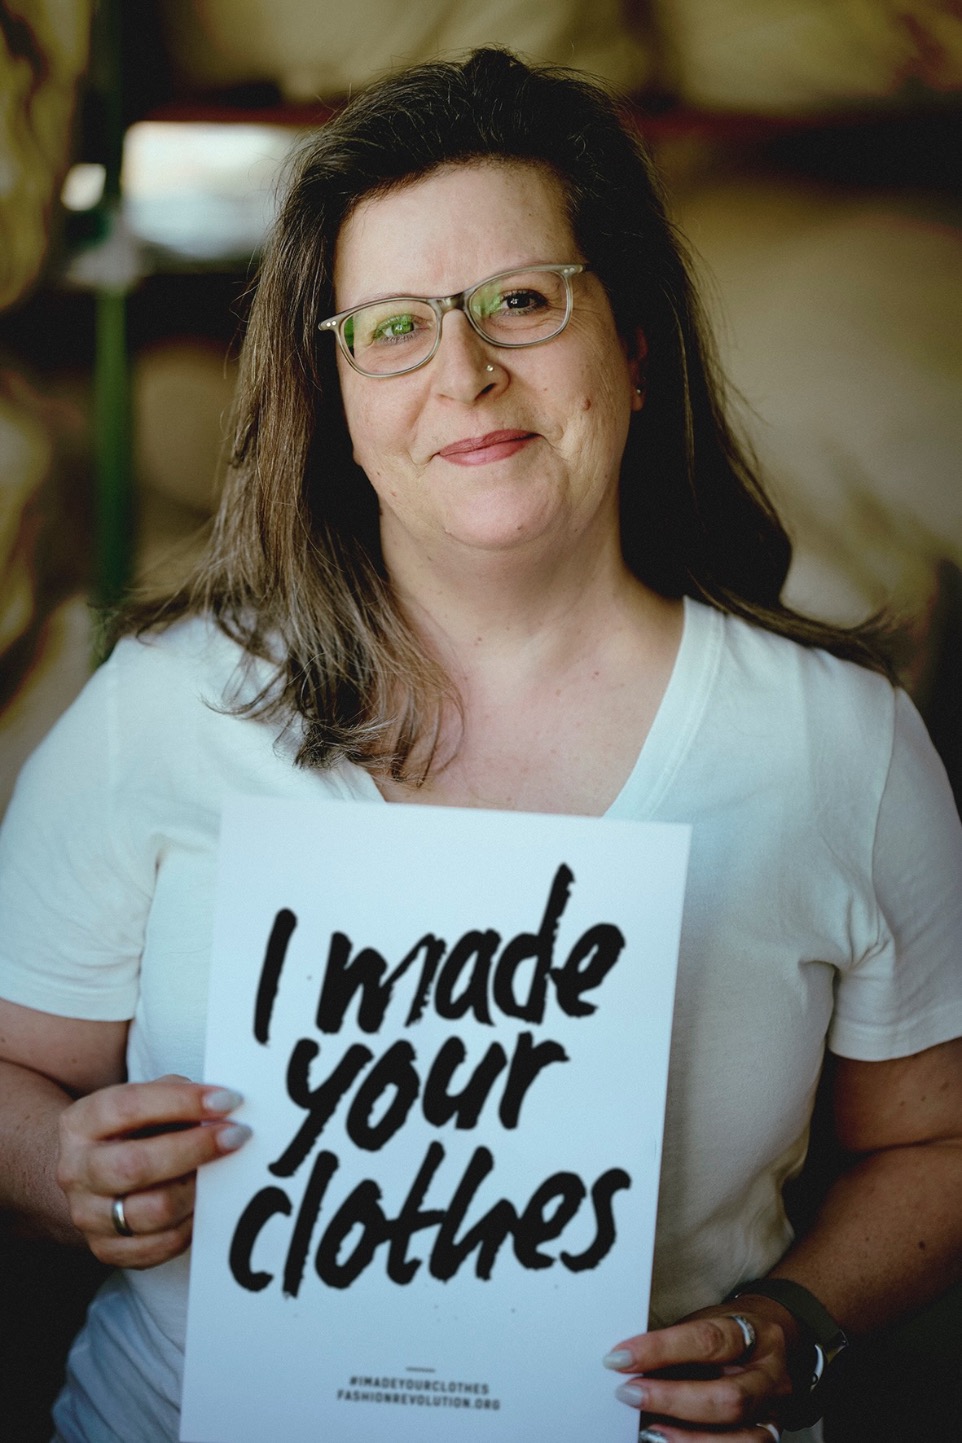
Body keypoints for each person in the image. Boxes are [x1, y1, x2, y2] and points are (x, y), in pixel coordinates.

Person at [0, 45, 960, 1443]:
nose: (462, 371)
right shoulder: (168, 706)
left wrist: (794, 1323)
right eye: (391, 327)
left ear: (629, 345)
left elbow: (931, 1140)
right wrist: (57, 1162)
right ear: (331, 396)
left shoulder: (837, 745)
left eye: (519, 301)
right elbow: (13, 1071)